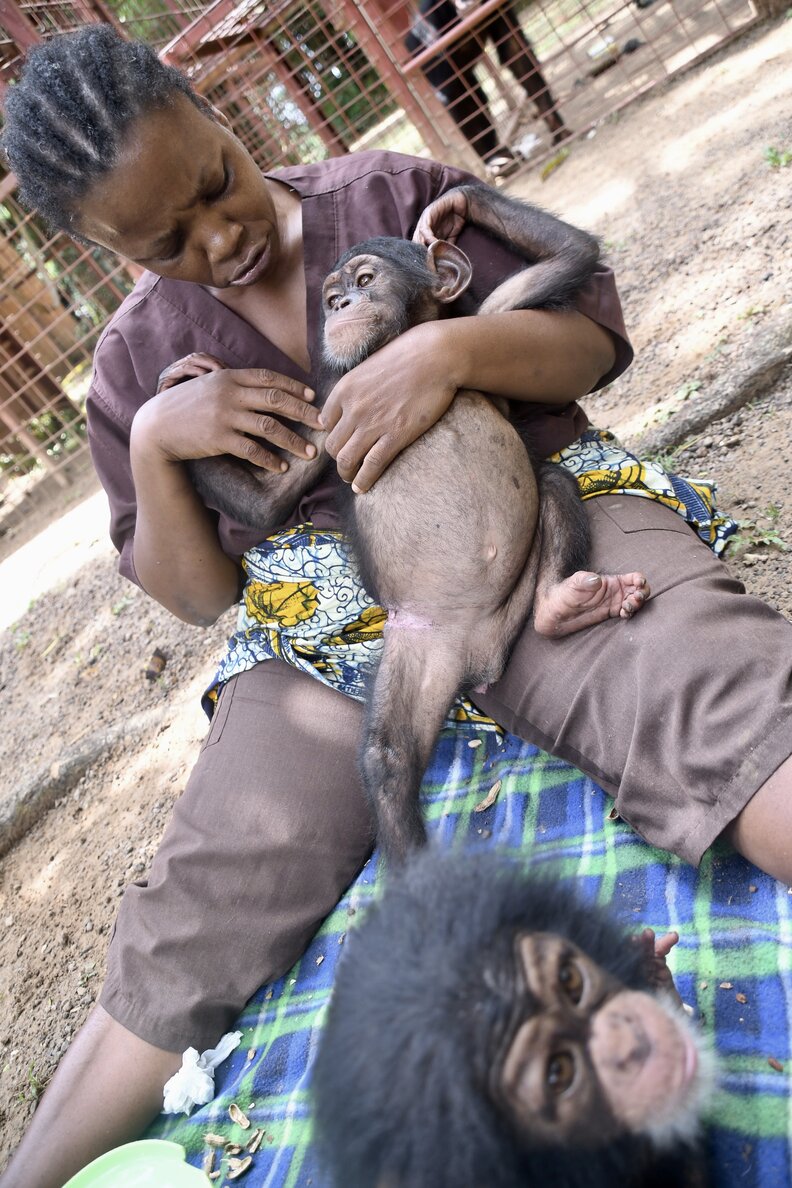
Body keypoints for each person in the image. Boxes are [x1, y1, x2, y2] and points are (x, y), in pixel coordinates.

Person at [1, 23, 790, 1188]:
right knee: (205, 894)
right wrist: (165, 446)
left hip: (534, 520)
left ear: (216, 110)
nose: (220, 239)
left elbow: (588, 340)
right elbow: (196, 592)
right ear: (100, 245)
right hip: (339, 624)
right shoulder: (135, 370)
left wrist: (453, 353)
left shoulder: (393, 196)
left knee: (708, 693)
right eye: (167, 243)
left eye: (217, 184)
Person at [405, 0, 568, 177]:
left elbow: (516, 52)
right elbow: (448, 90)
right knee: (462, 95)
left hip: (474, 20)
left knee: (517, 52)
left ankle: (555, 123)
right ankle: (494, 158)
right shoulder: (432, 14)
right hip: (439, 48)